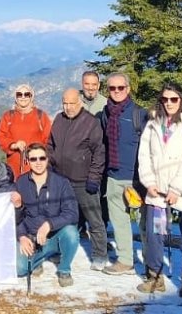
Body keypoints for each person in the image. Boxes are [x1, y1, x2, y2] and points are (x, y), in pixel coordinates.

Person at [137, 81, 182, 298]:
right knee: (156, 235)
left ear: (181, 99)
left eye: (174, 99)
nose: (169, 103)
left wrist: (177, 188)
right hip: (158, 191)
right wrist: (149, 182)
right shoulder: (153, 123)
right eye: (165, 99)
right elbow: (144, 155)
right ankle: (155, 276)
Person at [49, 88, 111, 273]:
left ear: (80, 102)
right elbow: (50, 145)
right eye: (65, 103)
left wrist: (94, 178)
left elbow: (99, 153)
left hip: (83, 180)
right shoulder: (59, 120)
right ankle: (62, 250)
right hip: (61, 179)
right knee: (65, 219)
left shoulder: (91, 123)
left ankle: (100, 255)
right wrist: (50, 166)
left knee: (94, 219)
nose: (68, 107)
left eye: (72, 103)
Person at [97, 71, 147, 275]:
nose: (116, 91)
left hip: (136, 178)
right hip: (114, 176)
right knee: (119, 222)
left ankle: (152, 262)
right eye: (112, 88)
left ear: (128, 89)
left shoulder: (139, 114)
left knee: (144, 223)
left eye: (120, 88)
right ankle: (126, 260)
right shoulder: (105, 113)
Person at [11, 143, 79, 287]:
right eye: (33, 159)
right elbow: (16, 217)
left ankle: (64, 269)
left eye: (42, 158)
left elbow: (72, 213)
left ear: (47, 160)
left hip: (54, 236)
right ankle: (38, 259)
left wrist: (49, 224)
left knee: (71, 233)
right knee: (19, 269)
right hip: (31, 237)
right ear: (27, 161)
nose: (38, 163)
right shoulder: (21, 182)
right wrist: (22, 236)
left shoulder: (61, 182)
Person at [0, 83, 52, 178]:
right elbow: (0, 136)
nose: (23, 97)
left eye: (26, 94)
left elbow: (48, 138)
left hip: (36, 165)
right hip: (14, 166)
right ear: (16, 97)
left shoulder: (41, 116)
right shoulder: (8, 116)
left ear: (31, 97)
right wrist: (13, 145)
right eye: (19, 94)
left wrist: (38, 153)